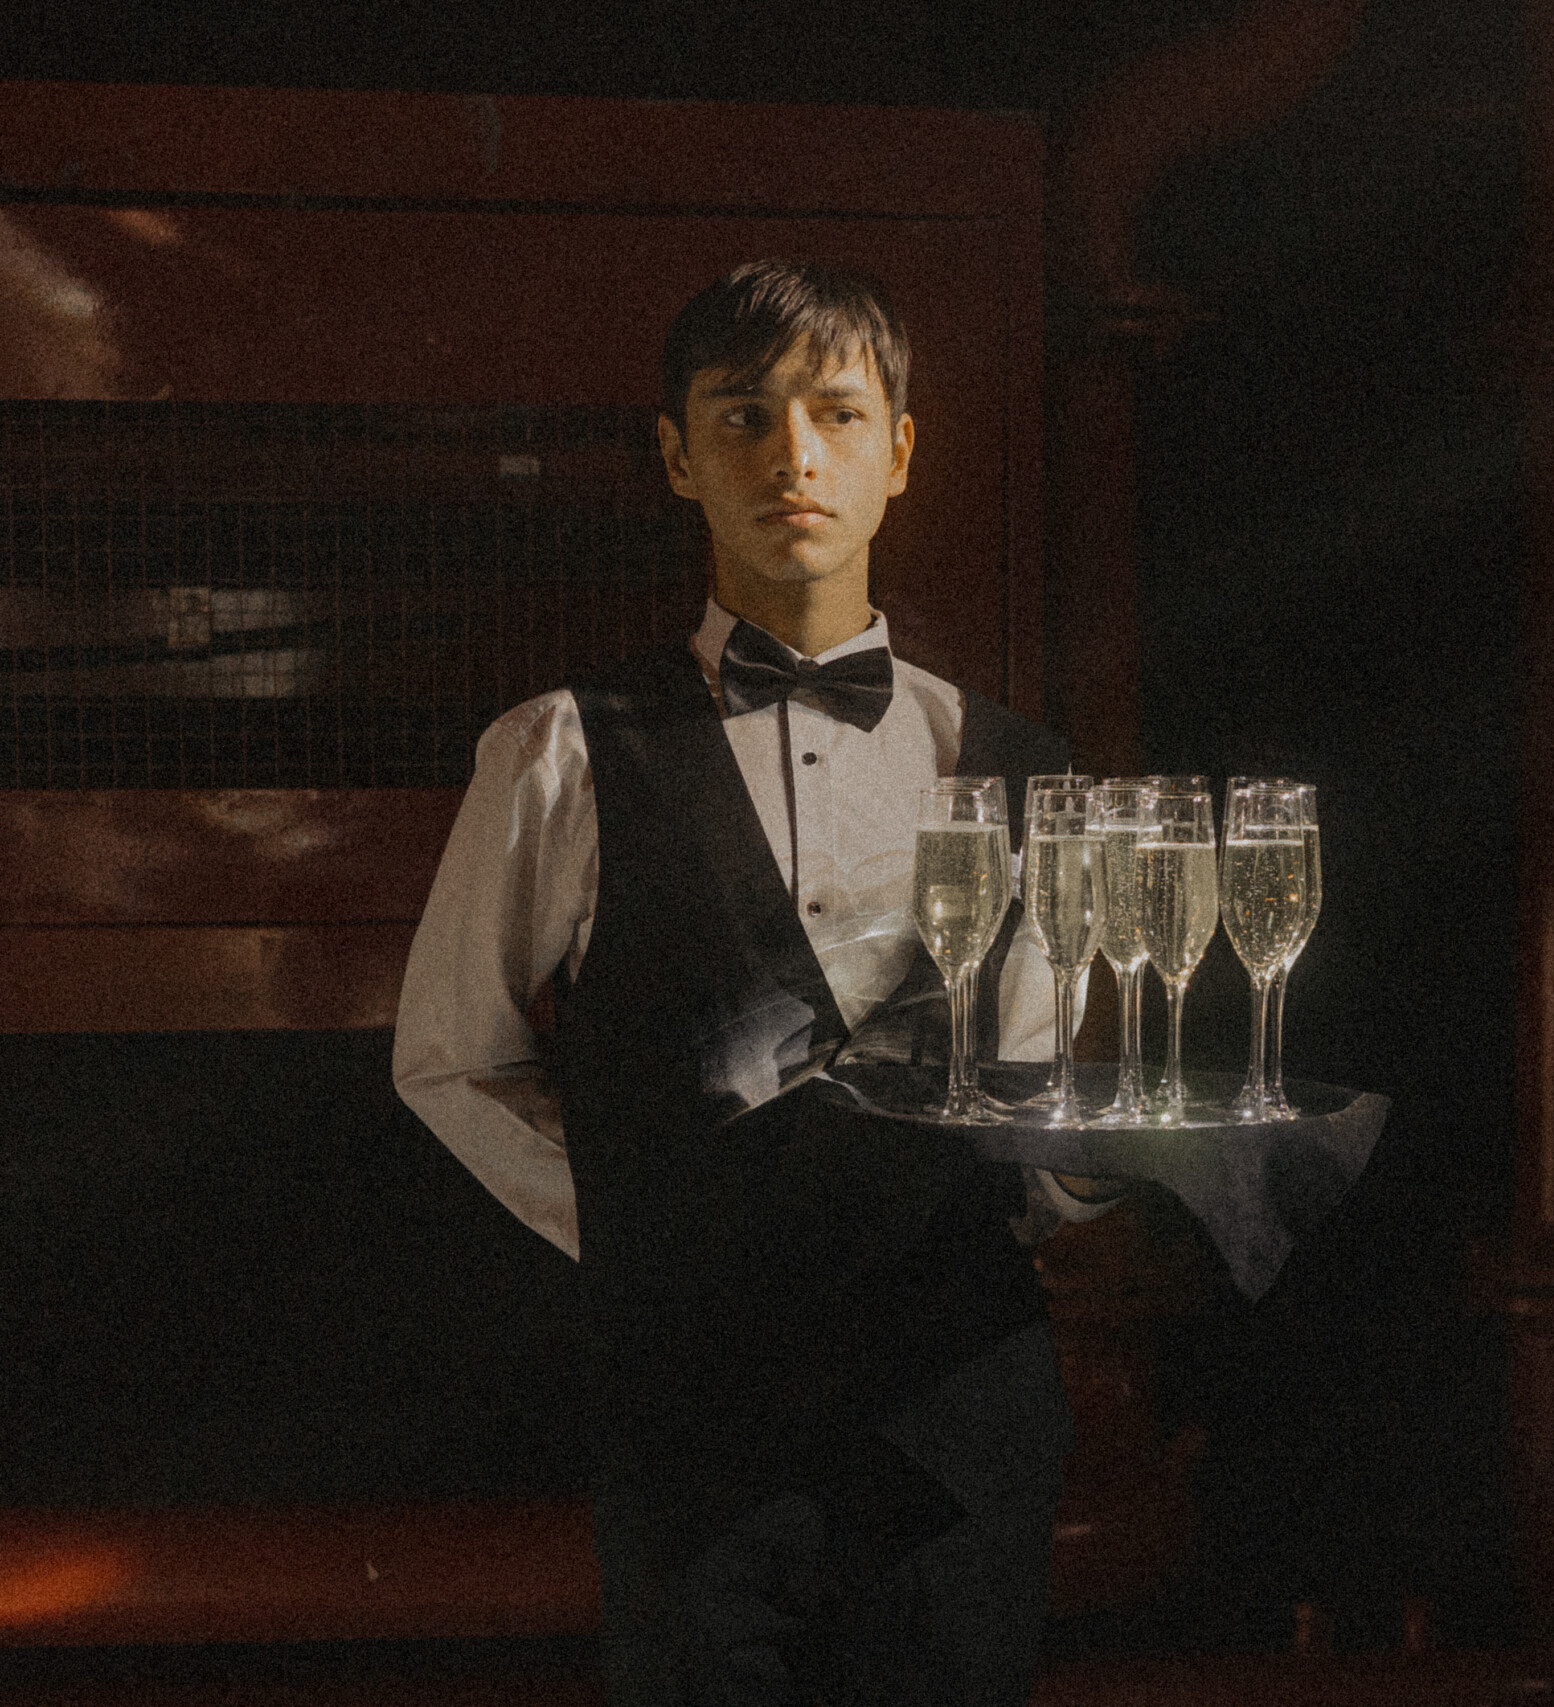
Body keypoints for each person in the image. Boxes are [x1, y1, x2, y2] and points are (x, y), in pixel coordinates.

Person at [394, 259, 1118, 1707]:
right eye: (743, 415)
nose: (794, 455)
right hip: (696, 1411)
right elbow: (450, 1063)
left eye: (837, 413)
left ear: (897, 453)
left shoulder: (1020, 767)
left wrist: (1050, 1197)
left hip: (959, 1413)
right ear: (679, 456)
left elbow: (1045, 1103)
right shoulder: (557, 751)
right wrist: (651, 1228)